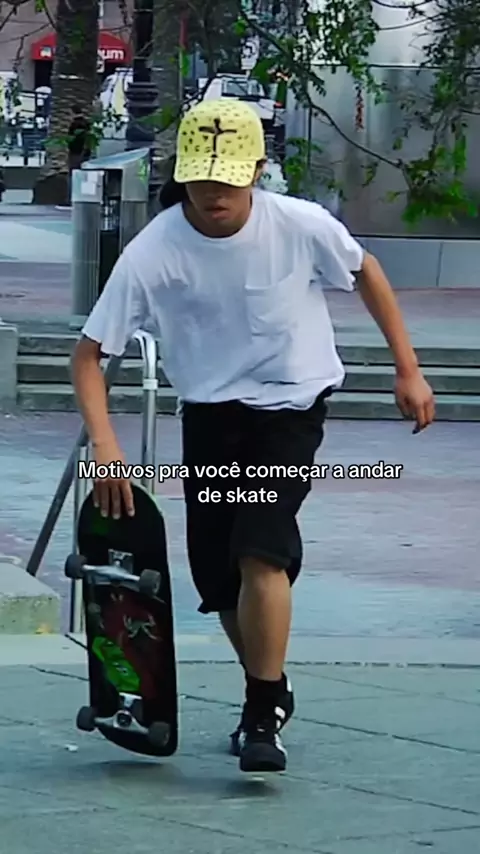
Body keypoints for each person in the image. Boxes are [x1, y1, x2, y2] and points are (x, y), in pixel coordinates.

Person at [71, 98, 435, 774]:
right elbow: (88, 355)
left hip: (290, 409)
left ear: (257, 172)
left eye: (230, 182)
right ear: (183, 176)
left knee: (260, 549)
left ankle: (261, 713)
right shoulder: (153, 250)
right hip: (210, 415)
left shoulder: (299, 224)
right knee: (218, 576)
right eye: (202, 182)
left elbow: (367, 271)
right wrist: (107, 448)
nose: (216, 197)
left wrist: (407, 369)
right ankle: (271, 688)